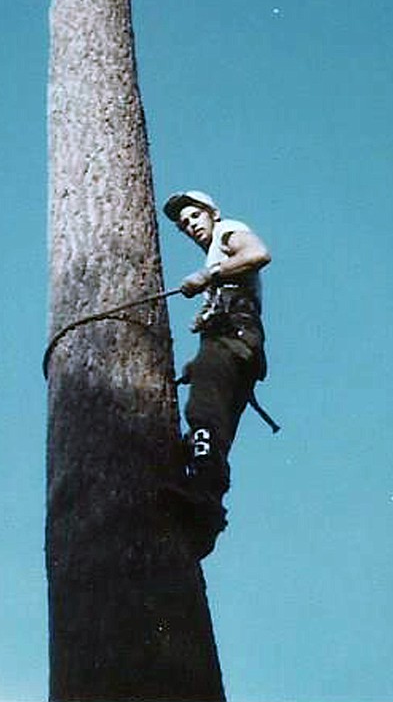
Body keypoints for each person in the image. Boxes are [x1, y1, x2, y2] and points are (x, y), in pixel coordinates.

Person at [162, 190, 271, 558]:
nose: (190, 226)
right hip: (234, 343)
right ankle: (206, 512)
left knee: (203, 415)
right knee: (212, 430)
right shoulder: (216, 255)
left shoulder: (229, 231)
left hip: (234, 337)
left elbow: (258, 254)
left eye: (194, 217)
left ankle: (203, 496)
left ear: (212, 213)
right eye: (183, 225)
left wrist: (207, 275)